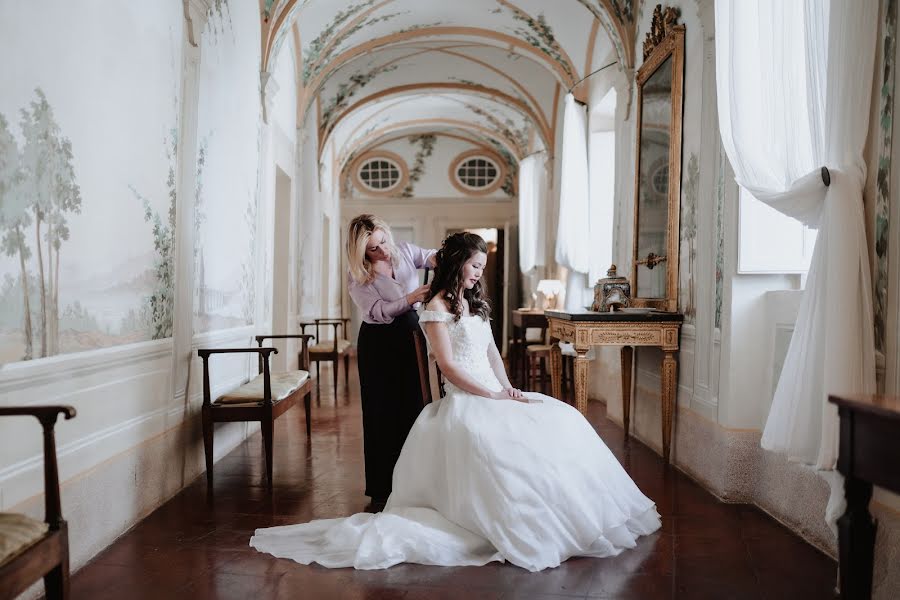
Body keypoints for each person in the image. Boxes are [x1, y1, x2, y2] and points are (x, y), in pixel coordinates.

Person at [250, 232, 660, 572]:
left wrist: (510, 390)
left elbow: (492, 354)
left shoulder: (474, 303)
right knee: (501, 444)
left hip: (494, 391)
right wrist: (491, 395)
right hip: (466, 400)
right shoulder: (435, 307)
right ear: (456, 263)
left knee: (563, 418)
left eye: (482, 268)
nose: (480, 274)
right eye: (475, 267)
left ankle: (577, 514)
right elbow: (447, 365)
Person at [344, 214, 436, 511]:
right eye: (373, 248)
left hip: (410, 336)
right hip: (378, 343)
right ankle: (383, 487)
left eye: (383, 241)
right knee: (381, 412)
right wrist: (410, 298)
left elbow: (433, 257)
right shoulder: (358, 275)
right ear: (361, 252)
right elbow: (377, 311)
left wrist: (452, 256)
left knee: (415, 405)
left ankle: (417, 483)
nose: (382, 251)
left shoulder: (407, 251)